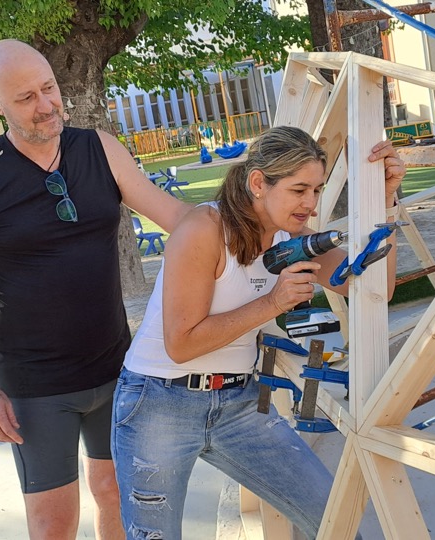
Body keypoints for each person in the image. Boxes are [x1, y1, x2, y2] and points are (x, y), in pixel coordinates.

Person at [0, 38, 404, 539]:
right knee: (53, 523)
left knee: (114, 496)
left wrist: (377, 201)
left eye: (49, 88)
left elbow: (182, 219)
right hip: (39, 380)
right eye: (26, 97)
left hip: (117, 361)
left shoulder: (98, 148)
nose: (46, 104)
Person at [111, 126, 406, 539]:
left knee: (336, 526)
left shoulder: (293, 237)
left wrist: (386, 201)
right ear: (257, 183)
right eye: (299, 190)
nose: (311, 204)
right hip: (160, 403)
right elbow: (181, 344)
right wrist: (273, 303)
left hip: (239, 402)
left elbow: (377, 288)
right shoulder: (205, 229)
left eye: (317, 191)